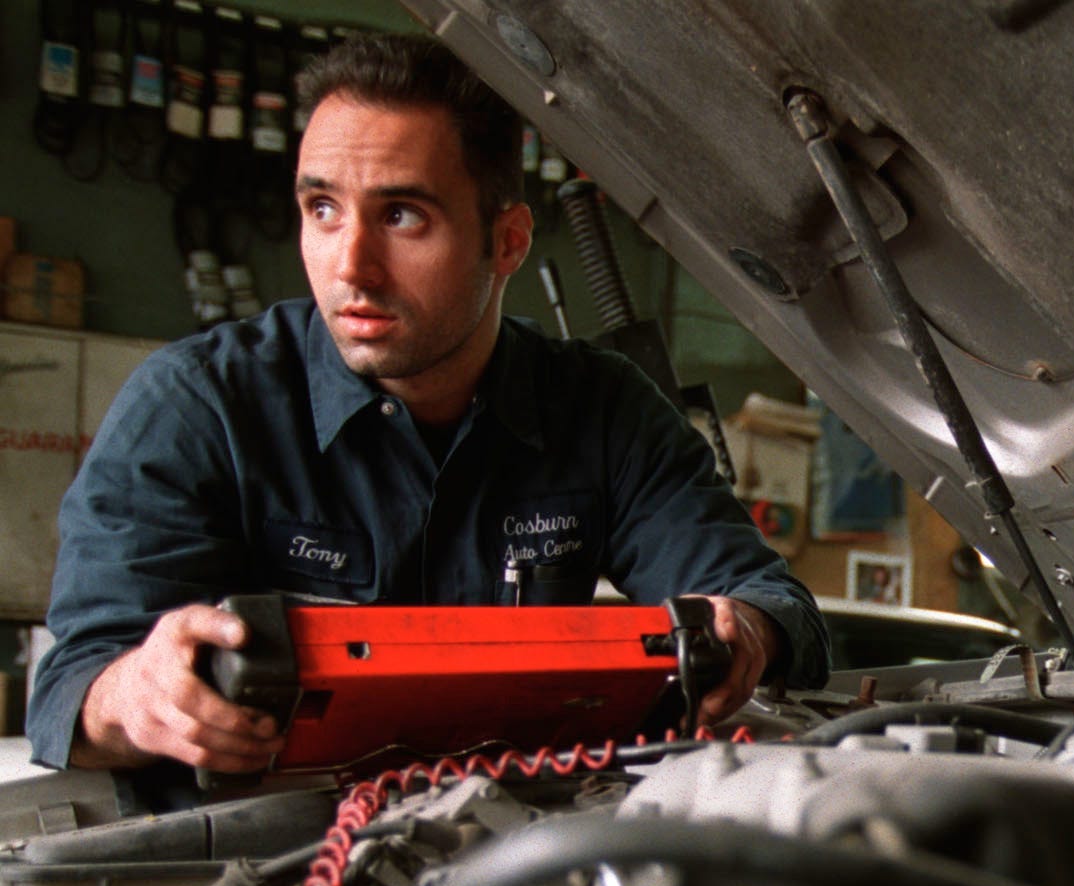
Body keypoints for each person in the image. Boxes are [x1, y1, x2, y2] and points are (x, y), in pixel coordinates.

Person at [26, 33, 827, 781]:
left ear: (508, 242)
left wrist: (746, 632)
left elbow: (774, 606)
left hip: (514, 857)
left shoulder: (605, 412)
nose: (352, 267)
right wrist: (133, 693)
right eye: (322, 210)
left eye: (402, 216)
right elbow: (72, 688)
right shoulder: (198, 407)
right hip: (257, 870)